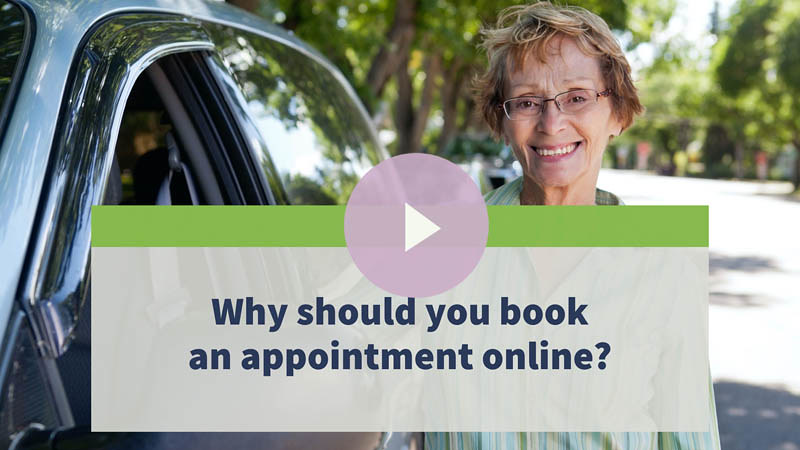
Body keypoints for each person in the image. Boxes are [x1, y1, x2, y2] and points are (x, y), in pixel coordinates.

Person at [426, 2, 721, 448]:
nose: (552, 123)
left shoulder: (663, 269)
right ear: (502, 122)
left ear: (618, 114)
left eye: (577, 97)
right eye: (527, 102)